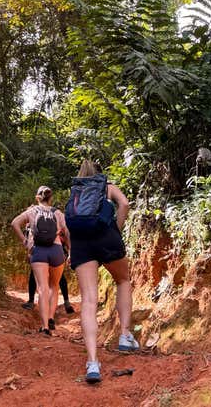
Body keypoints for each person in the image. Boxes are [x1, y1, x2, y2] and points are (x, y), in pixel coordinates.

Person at [66, 160, 139, 384]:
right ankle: (125, 335)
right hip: (107, 237)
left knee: (89, 300)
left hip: (81, 243)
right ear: (99, 174)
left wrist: (72, 249)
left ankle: (93, 362)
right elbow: (125, 204)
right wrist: (116, 228)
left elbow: (69, 221)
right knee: (123, 280)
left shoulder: (75, 191)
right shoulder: (106, 186)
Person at [11, 186, 70, 335]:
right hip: (56, 250)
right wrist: (70, 250)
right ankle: (51, 317)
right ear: (51, 199)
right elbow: (67, 232)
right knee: (54, 287)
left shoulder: (31, 211)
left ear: (38, 197)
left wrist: (25, 242)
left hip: (38, 251)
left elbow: (14, 223)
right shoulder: (57, 213)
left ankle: (44, 327)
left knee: (42, 289)